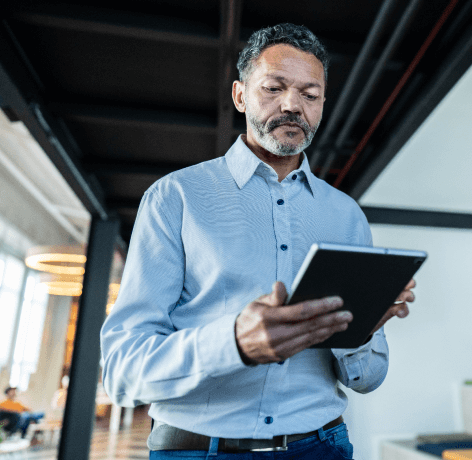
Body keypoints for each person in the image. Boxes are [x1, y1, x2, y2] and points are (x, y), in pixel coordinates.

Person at [100, 23, 416, 459]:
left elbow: (368, 378)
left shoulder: (347, 216)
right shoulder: (176, 197)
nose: (292, 105)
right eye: (273, 88)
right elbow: (122, 371)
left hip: (323, 447)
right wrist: (234, 344)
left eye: (310, 94)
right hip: (198, 451)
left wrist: (357, 333)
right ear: (240, 95)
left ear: (323, 104)